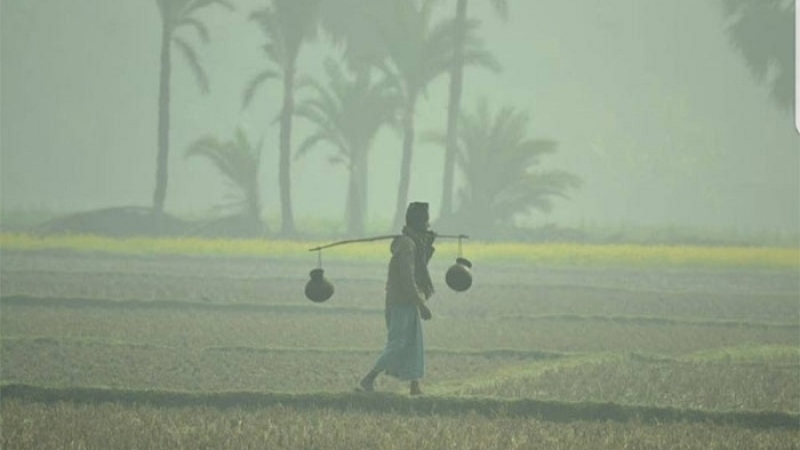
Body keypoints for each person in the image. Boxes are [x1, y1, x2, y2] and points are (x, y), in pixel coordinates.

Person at [358, 202, 436, 395]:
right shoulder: (407, 246)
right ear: (418, 223)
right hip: (401, 302)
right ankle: (368, 378)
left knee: (413, 342)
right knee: (397, 344)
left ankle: (414, 385)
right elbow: (408, 278)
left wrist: (428, 245)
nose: (428, 226)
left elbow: (420, 266)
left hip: (406, 302)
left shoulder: (413, 243)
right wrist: (421, 304)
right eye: (425, 222)